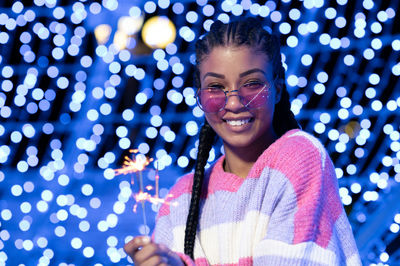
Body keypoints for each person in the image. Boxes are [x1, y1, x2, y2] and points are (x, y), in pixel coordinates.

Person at [124, 16, 361, 265]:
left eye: (252, 84)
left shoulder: (299, 157)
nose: (235, 103)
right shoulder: (180, 199)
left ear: (277, 90)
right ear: (200, 98)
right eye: (216, 87)